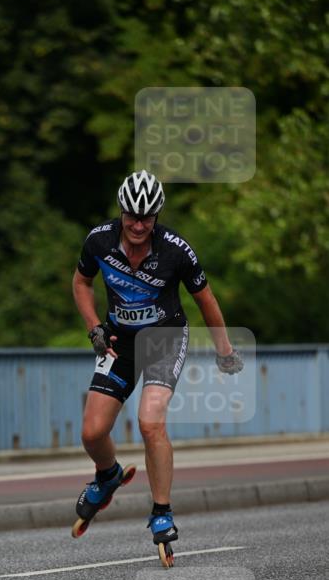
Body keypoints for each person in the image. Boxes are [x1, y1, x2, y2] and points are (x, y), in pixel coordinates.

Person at [71, 169, 242, 558]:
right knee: (92, 432)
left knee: (150, 422)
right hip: (120, 343)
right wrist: (93, 326)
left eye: (146, 217)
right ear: (121, 211)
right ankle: (108, 475)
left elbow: (206, 300)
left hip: (165, 340)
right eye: (131, 215)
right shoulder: (98, 241)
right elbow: (81, 283)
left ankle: (161, 511)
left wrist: (225, 349)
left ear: (157, 216)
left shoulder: (176, 251)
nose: (137, 224)